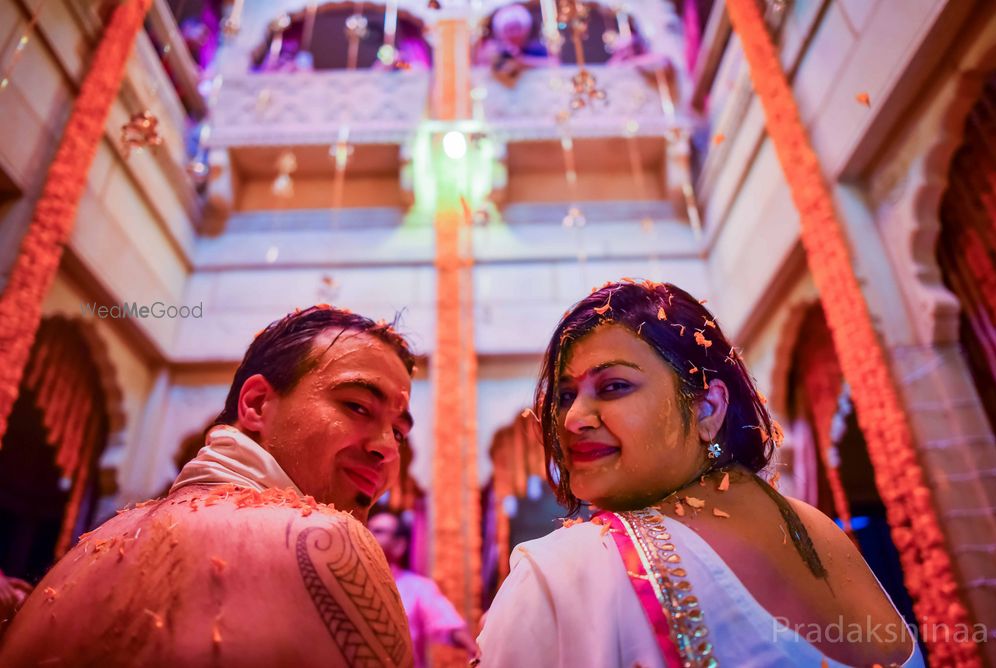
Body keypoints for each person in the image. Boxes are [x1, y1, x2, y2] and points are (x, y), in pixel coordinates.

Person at [477, 280, 923, 667]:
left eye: (613, 386)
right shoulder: (818, 528)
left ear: (708, 407)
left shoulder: (568, 574)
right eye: (565, 396)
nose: (574, 418)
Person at [0, 306, 417, 667]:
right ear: (255, 405)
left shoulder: (85, 552)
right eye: (357, 407)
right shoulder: (328, 541)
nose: (387, 449)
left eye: (399, 433)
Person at [367, 507, 479, 667]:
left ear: (399, 545)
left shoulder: (418, 587)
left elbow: (448, 624)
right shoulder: (351, 579)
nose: (368, 535)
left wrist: (474, 650)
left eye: (378, 531)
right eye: (368, 529)